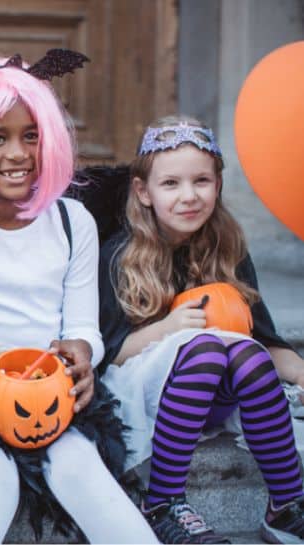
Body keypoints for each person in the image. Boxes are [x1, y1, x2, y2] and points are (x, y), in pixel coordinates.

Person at [0, 52, 158, 544]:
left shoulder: (71, 221)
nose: (18, 154)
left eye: (31, 136)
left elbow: (82, 322)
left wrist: (84, 351)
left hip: (52, 388)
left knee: (78, 465)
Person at [98, 114, 304, 544]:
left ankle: (285, 502)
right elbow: (109, 353)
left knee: (246, 353)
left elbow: (265, 341)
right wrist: (170, 328)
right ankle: (162, 501)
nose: (189, 196)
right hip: (142, 394)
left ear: (218, 184)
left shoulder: (227, 250)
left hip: (211, 396)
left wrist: (300, 371)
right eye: (171, 184)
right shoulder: (119, 255)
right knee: (208, 348)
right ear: (144, 191)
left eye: (202, 181)